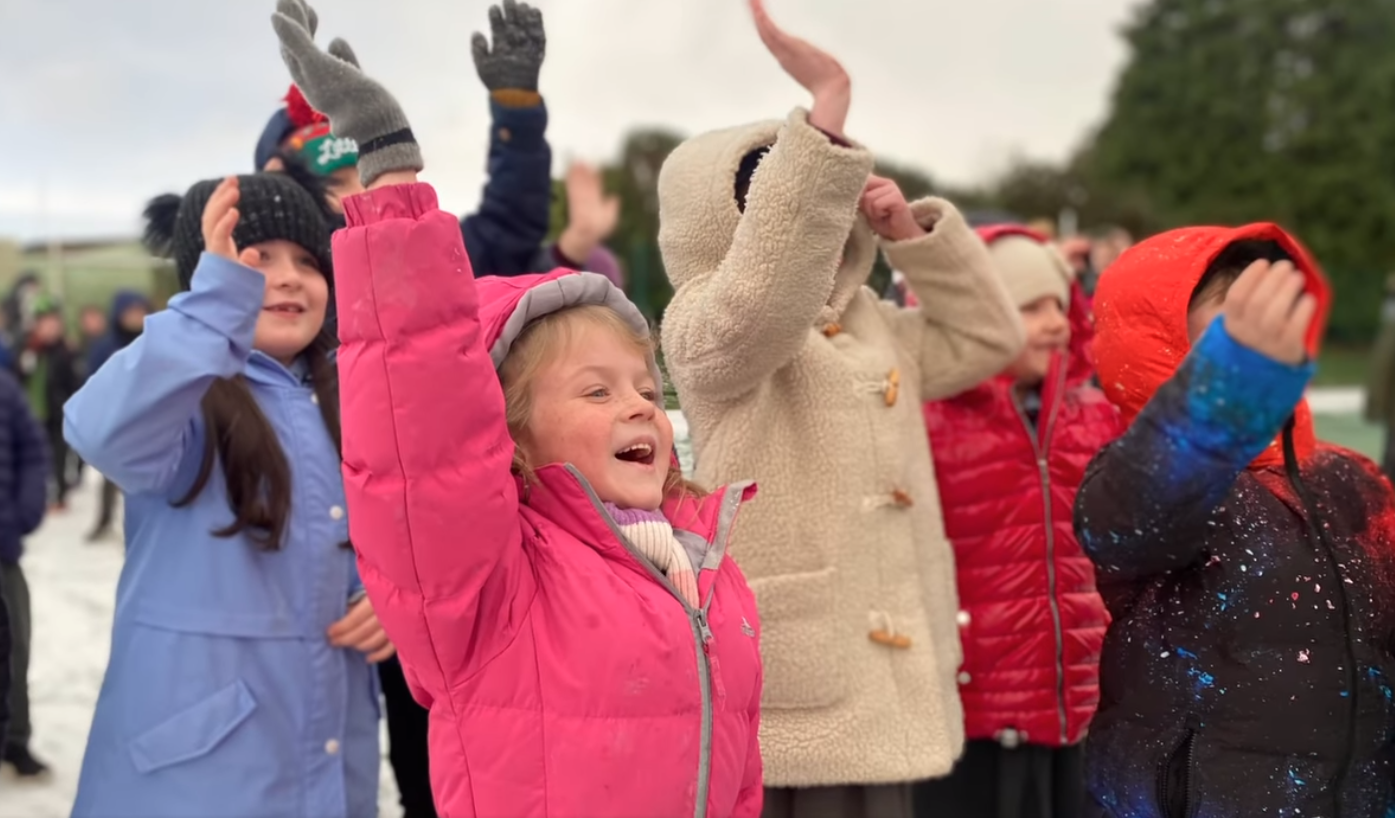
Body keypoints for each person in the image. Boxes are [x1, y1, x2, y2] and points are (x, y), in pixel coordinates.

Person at [272, 3, 765, 814]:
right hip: (407, 605)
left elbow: (733, 767)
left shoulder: (702, 564)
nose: (639, 406)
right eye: (597, 391)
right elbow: (426, 435)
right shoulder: (505, 568)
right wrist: (388, 178)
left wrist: (515, 114)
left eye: (647, 390)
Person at [655, 3, 1024, 815]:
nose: (820, 227)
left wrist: (909, 234)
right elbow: (760, 300)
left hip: (888, 684)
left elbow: (990, 338)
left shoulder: (873, 325)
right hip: (797, 691)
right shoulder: (703, 325)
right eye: (780, 206)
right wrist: (823, 122)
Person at [64, 169, 389, 817]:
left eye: (307, 261)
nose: (289, 277)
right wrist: (215, 310)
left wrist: (387, 599)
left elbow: (374, 534)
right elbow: (99, 430)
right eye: (256, 260)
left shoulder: (348, 400)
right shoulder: (182, 404)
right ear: (206, 282)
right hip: (191, 777)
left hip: (327, 757)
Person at [1076, 226, 1395, 816]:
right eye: (1229, 332)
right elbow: (1126, 525)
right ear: (1159, 345)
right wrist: (1226, 391)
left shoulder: (1352, 478)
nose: (1263, 345)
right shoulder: (1148, 479)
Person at [917, 226, 1119, 818]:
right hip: (972, 713)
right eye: (1031, 308)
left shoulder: (1094, 415)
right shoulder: (932, 420)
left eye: (1059, 304)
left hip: (1077, 703)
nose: (1055, 323)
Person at [0, 367, 52, 780]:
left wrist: (24, 512)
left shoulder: (4, 388)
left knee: (14, 647)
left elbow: (33, 450)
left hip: (2, 551)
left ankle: (14, 738)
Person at [82, 291, 152, 542]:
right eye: (130, 311)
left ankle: (146, 526)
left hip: (149, 419)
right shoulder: (106, 346)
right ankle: (104, 519)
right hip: (116, 418)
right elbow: (92, 382)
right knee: (111, 474)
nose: (135, 316)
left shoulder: (154, 340)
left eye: (139, 310)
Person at [16, 300, 79, 511]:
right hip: (32, 413)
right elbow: (18, 378)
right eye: (45, 323)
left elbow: (73, 382)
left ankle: (59, 495)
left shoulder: (65, 352)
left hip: (56, 412)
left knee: (59, 456)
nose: (50, 328)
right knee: (34, 457)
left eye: (54, 323)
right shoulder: (28, 349)